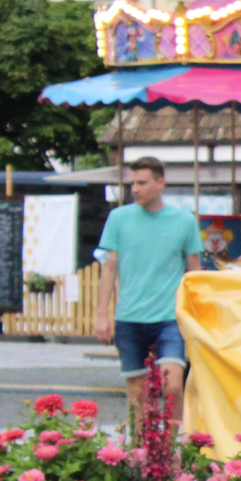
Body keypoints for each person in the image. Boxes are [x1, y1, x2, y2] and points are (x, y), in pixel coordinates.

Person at [94, 158, 205, 436]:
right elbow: (108, 267)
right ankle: (140, 449)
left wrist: (199, 315)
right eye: (133, 183)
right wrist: (101, 315)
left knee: (173, 384)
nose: (135, 188)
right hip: (129, 316)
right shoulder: (119, 218)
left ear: (160, 183)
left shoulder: (183, 220)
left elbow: (195, 272)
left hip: (169, 316)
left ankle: (171, 445)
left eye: (142, 182)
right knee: (136, 391)